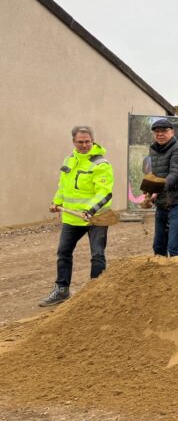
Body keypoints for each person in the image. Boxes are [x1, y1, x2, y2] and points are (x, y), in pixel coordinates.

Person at [39, 126, 114, 306]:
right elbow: (63, 186)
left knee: (97, 255)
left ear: (92, 140)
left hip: (96, 218)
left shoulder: (101, 164)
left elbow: (104, 193)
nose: (84, 145)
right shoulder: (69, 160)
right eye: (80, 142)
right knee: (63, 252)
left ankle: (95, 293)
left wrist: (90, 210)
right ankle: (62, 290)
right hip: (72, 219)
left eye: (87, 141)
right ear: (74, 142)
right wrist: (56, 202)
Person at [144, 118, 178, 257]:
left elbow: (174, 174)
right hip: (161, 203)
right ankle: (160, 277)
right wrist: (150, 192)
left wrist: (156, 188)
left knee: (174, 247)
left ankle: (177, 278)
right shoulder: (153, 149)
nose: (160, 134)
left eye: (164, 131)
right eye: (156, 132)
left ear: (172, 132)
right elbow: (153, 174)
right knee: (158, 246)